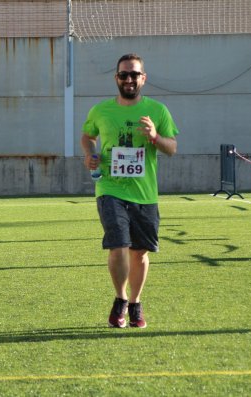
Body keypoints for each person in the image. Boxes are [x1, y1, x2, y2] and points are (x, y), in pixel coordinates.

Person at [80, 54, 179, 329]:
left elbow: (172, 148)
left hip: (144, 193)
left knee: (140, 253)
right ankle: (120, 299)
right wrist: (90, 154)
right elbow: (87, 136)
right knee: (118, 246)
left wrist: (154, 137)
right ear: (116, 78)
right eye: (123, 75)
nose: (128, 79)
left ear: (143, 78)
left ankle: (135, 303)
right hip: (110, 187)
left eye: (134, 74)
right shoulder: (100, 111)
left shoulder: (157, 111)